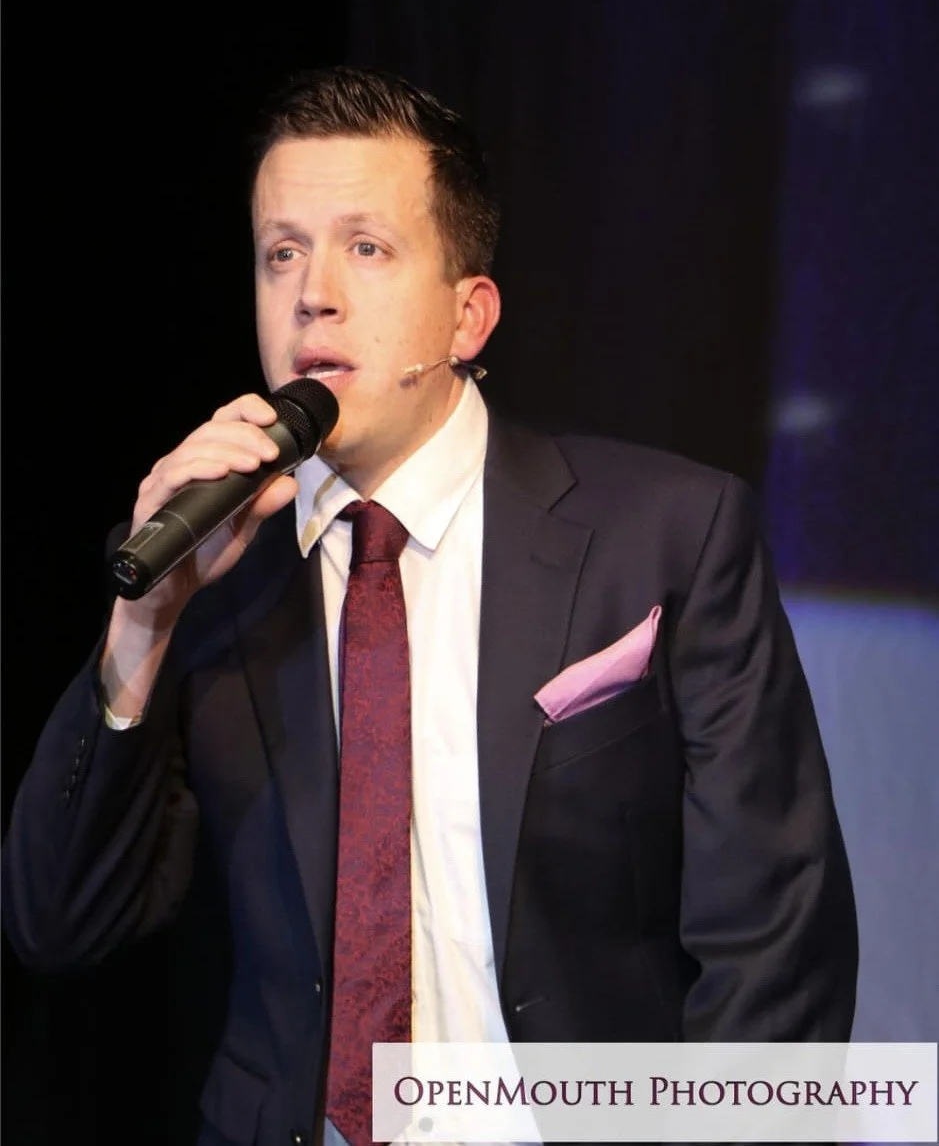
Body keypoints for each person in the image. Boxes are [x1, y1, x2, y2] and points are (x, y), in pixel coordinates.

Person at [2, 67, 858, 1146]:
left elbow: (775, 942)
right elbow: (61, 922)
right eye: (282, 252)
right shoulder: (215, 570)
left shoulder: (668, 536)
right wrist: (143, 625)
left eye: (365, 247)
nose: (312, 291)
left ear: (467, 314)